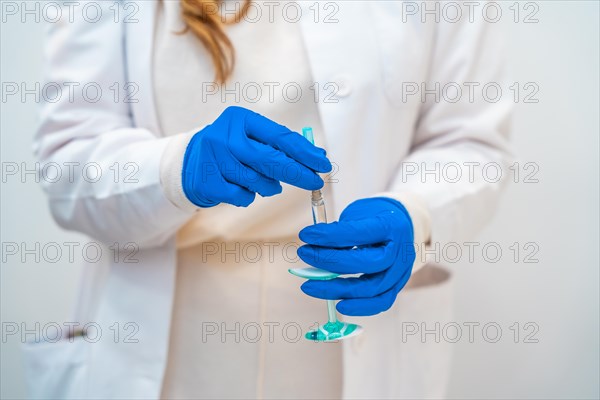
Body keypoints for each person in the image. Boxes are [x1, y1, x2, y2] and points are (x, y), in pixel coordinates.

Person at [27, 1, 512, 398]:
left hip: (349, 343)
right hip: (173, 347)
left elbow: (470, 141)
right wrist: (176, 168)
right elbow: (67, 159)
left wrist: (415, 212)